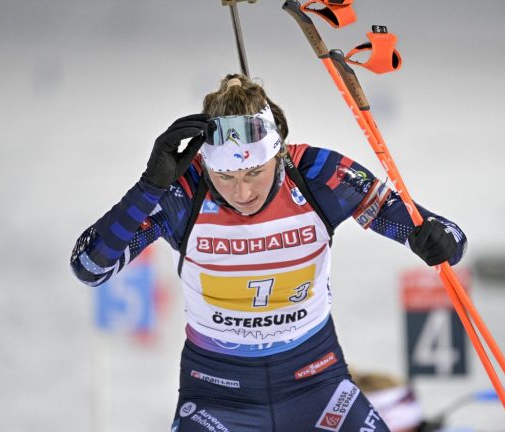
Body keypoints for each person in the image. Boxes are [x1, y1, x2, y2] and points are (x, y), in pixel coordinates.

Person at [70, 73, 467, 431]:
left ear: (278, 153)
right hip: (216, 398)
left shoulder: (316, 172)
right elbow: (89, 267)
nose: (242, 193)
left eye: (254, 173)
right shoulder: (183, 190)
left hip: (317, 385)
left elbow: (447, 237)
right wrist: (148, 189)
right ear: (206, 165)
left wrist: (433, 240)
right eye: (225, 176)